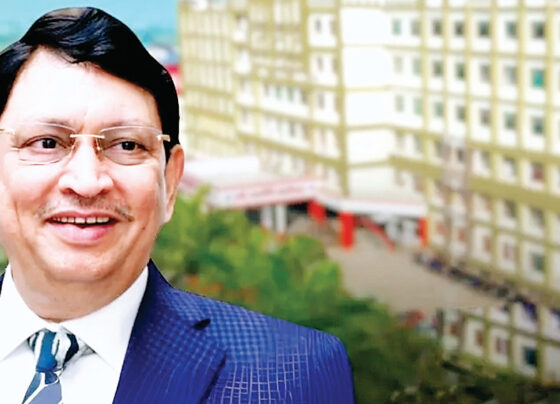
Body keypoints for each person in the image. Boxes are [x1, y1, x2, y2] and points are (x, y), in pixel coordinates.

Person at [0, 7, 354, 403]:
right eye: (47, 142)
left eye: (127, 145)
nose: (87, 182)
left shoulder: (291, 375)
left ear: (169, 183)